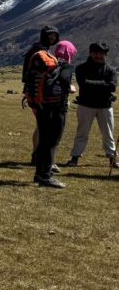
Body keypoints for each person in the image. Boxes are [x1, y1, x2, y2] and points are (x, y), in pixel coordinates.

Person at [28, 40, 77, 188]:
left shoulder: (47, 63)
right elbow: (67, 87)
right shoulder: (65, 67)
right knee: (52, 142)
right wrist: (71, 87)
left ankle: (39, 173)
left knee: (44, 140)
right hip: (57, 108)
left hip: (42, 106)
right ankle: (46, 175)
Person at [62, 42, 117, 168]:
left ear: (106, 54)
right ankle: (75, 157)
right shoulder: (81, 68)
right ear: (91, 53)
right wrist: (104, 85)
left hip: (104, 106)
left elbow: (112, 86)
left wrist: (91, 84)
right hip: (86, 106)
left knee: (108, 134)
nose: (99, 56)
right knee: (82, 132)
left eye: (102, 53)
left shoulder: (110, 70)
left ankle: (112, 159)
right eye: (96, 53)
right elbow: (84, 84)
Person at [23, 26, 60, 164]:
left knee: (41, 125)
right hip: (38, 93)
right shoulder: (38, 51)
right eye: (50, 35)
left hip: (40, 92)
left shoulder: (43, 49)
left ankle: (37, 155)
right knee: (43, 125)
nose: (52, 38)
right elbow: (33, 74)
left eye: (54, 36)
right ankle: (38, 155)